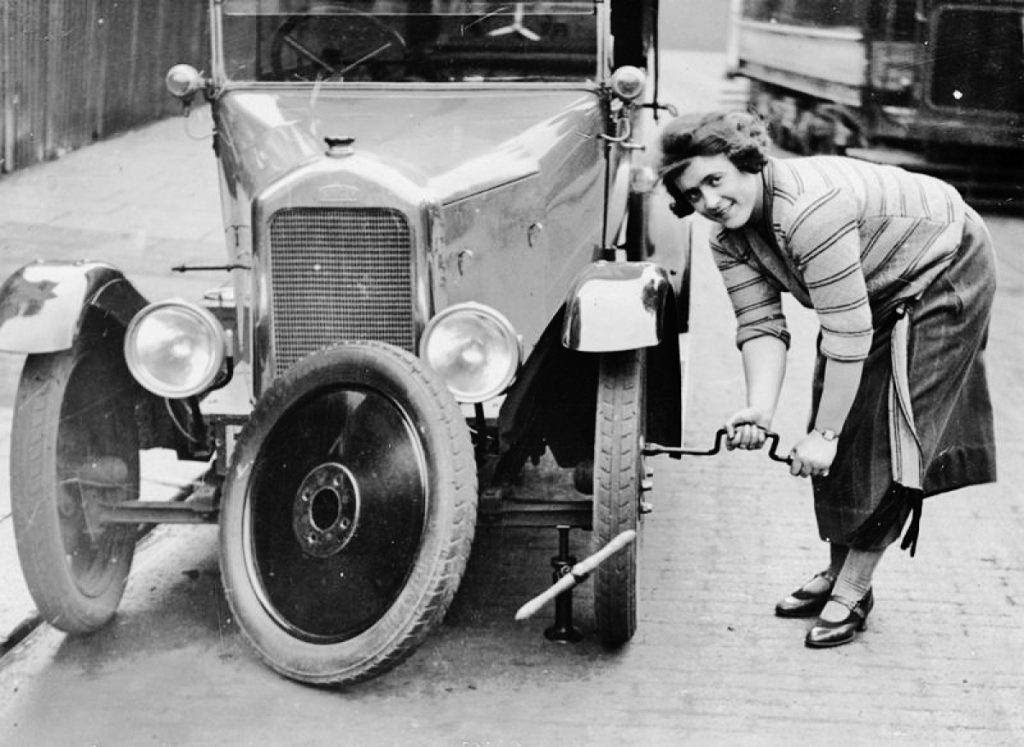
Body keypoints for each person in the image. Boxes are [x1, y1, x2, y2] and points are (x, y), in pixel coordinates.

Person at [657, 111, 997, 648]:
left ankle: (854, 588)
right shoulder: (729, 241)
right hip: (874, 288)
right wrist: (760, 410)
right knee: (834, 410)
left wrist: (826, 435)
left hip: (944, 265)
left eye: (714, 180)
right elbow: (761, 325)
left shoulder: (807, 213)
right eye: (693, 195)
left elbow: (846, 333)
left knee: (890, 430)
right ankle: (838, 572)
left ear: (745, 162)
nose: (710, 202)